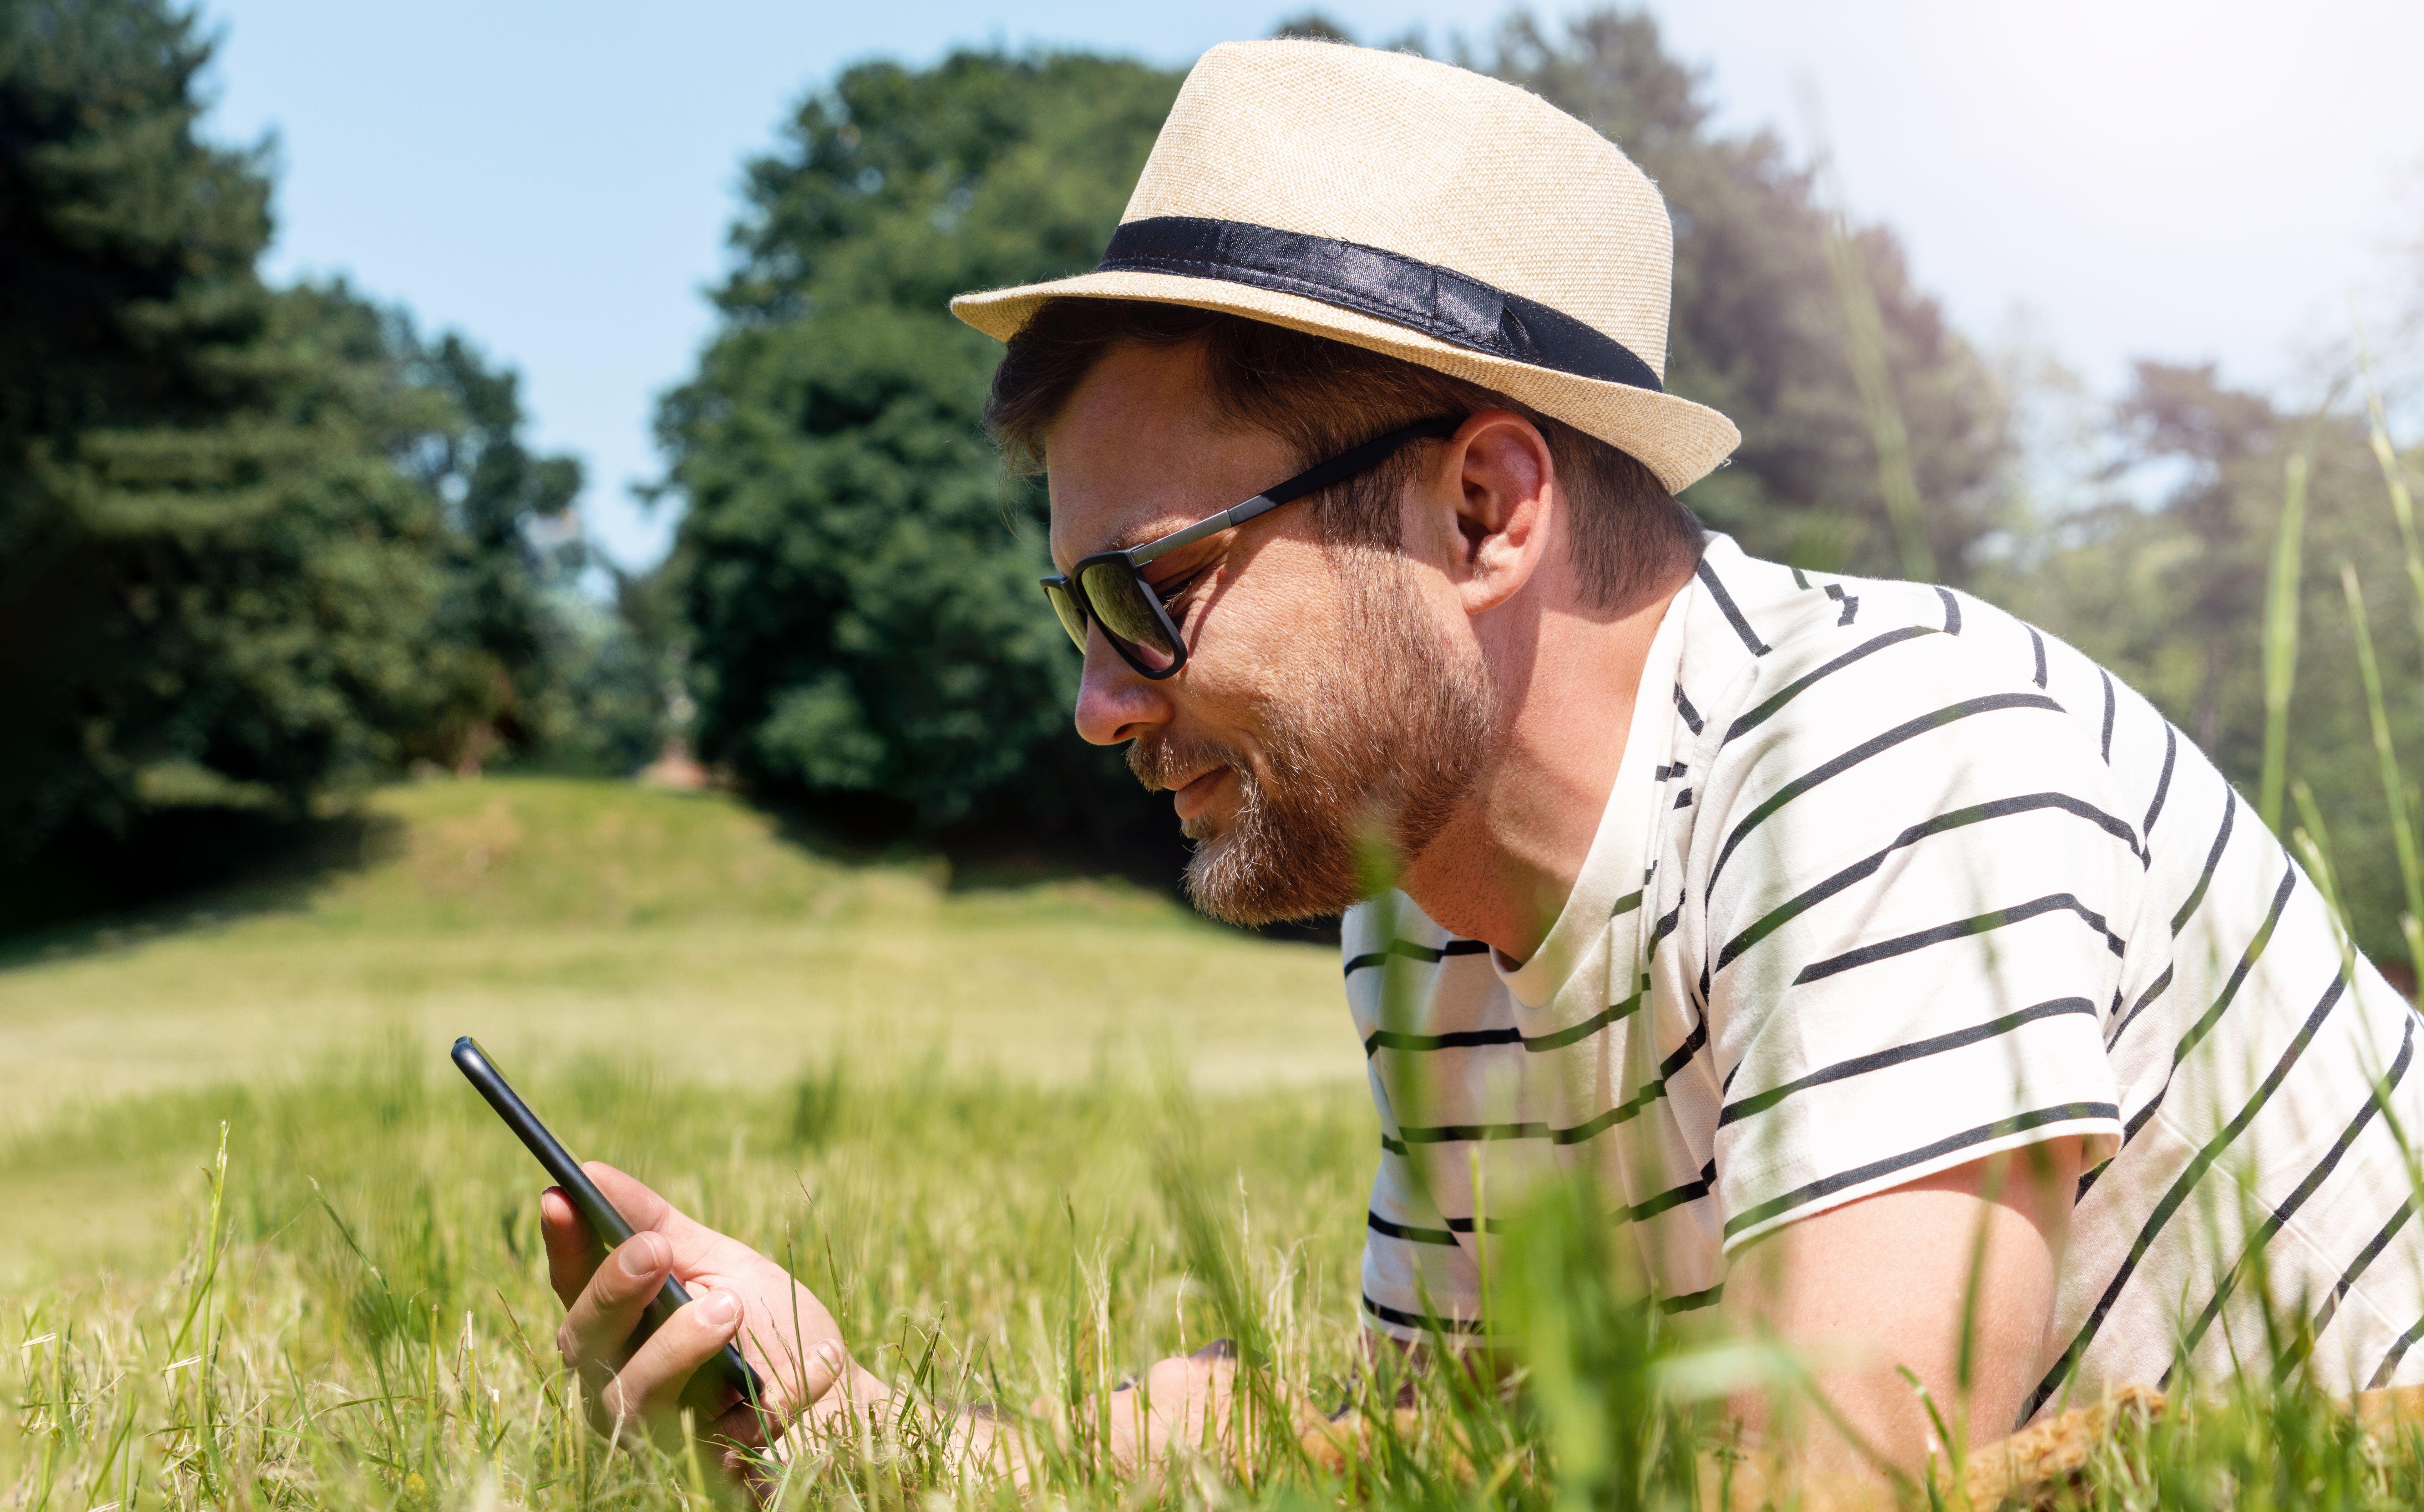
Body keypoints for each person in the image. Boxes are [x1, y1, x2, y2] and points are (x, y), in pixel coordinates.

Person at [542, 38, 2424, 1484]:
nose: (1100, 707)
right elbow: (1458, 1457)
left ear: (1481, 502)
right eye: (1078, 617)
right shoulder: (1432, 922)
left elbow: (1823, 1487)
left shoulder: (1894, 764)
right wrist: (864, 1431)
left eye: (1154, 590)